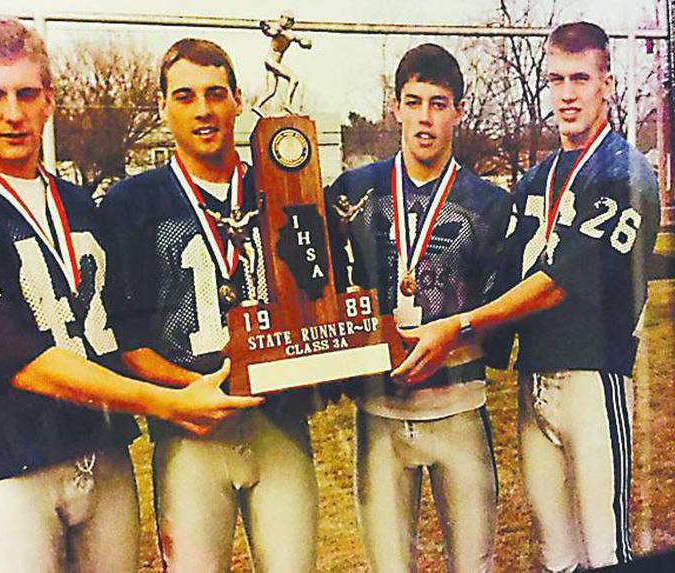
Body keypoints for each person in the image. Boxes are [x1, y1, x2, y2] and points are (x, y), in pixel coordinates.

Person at [0, 18, 261, 573]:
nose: (13, 113)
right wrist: (166, 402)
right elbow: (13, 359)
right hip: (10, 469)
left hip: (104, 457)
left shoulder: (79, 204)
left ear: (49, 99)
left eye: (26, 93)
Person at [393, 22, 660, 571]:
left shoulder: (625, 172)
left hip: (594, 377)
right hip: (532, 381)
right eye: (556, 79)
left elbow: (556, 283)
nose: (567, 94)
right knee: (555, 552)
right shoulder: (536, 178)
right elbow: (499, 272)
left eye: (581, 79)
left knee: (607, 548)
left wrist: (461, 327)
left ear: (606, 84)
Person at [101, 39, 318, 573]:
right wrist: (188, 391)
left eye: (215, 94)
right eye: (185, 96)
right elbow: (124, 338)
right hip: (188, 431)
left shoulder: (281, 185)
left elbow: (318, 302)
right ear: (163, 106)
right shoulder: (132, 203)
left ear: (238, 100)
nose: (203, 110)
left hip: (278, 421)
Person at [326, 44, 513, 572]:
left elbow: (498, 313)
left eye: (438, 103)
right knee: (388, 564)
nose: (425, 117)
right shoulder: (353, 193)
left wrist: (452, 337)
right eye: (414, 102)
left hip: (458, 404)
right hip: (379, 411)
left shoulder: (488, 203)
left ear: (457, 110)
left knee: (473, 561)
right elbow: (325, 284)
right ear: (397, 107)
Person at [254, 11, 313, 115]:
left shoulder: (289, 34)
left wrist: (306, 43)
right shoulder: (278, 30)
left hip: (271, 62)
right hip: (271, 61)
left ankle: (257, 105)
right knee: (293, 79)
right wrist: (264, 28)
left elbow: (302, 41)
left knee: (271, 91)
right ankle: (287, 104)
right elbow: (271, 32)